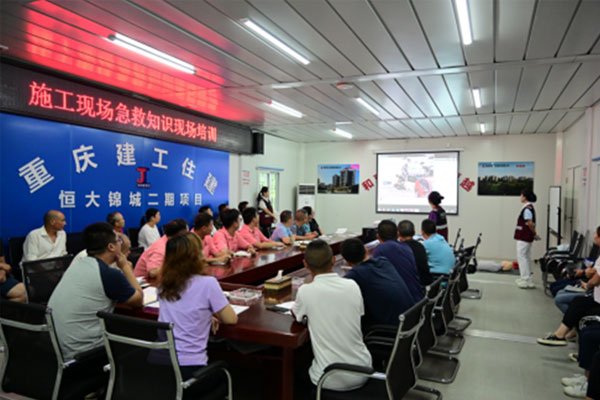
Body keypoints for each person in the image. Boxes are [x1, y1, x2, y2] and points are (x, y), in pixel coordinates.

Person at [48, 222, 143, 360]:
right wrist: (125, 267)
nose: (121, 243)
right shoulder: (109, 274)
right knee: (139, 343)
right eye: (119, 240)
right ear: (111, 247)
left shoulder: (78, 264)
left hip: (56, 349)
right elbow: (138, 300)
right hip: (84, 355)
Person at [158, 233, 237, 390]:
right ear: (196, 256)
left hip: (162, 367)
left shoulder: (163, 284)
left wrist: (206, 315)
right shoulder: (207, 283)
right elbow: (231, 319)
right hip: (191, 373)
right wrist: (209, 314)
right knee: (229, 372)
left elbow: (180, 309)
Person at [292, 240, 372, 391]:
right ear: (334, 260)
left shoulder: (305, 291)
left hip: (330, 377)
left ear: (305, 264)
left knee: (297, 369)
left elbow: (296, 315)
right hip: (364, 370)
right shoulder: (352, 285)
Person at [537, 226, 600, 346]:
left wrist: (588, 285)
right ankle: (564, 333)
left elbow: (595, 279)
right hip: (594, 294)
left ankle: (562, 334)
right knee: (569, 298)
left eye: (596, 234)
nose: (594, 236)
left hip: (594, 295)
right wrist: (586, 274)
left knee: (572, 302)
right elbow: (593, 272)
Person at [341, 238, 416, 330]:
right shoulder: (384, 261)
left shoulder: (355, 275)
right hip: (411, 320)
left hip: (391, 329)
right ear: (366, 251)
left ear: (347, 262)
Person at [372, 220, 423, 301]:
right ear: (397, 234)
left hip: (404, 301)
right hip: (417, 298)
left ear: (378, 236)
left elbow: (373, 276)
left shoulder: (380, 249)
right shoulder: (406, 247)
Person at [514, 188, 540, 289]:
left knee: (522, 257)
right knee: (526, 257)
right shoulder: (529, 207)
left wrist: (534, 233)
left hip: (524, 236)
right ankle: (527, 277)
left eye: (521, 195)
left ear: (524, 197)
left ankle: (525, 279)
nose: (520, 197)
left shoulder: (527, 209)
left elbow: (530, 223)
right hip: (525, 236)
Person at [398, 220, 433, 286]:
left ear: (398, 234)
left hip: (412, 287)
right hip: (425, 285)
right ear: (414, 233)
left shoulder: (399, 249)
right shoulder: (420, 246)